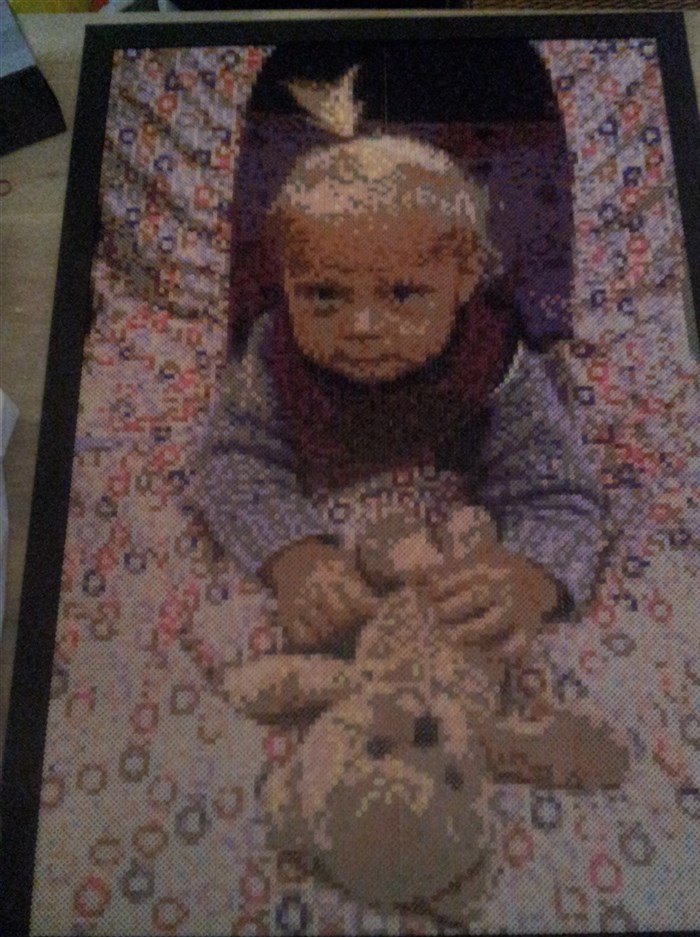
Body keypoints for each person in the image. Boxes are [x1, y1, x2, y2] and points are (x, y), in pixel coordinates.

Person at [190, 65, 605, 655]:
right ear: (284, 279)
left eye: (404, 294)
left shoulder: (496, 367)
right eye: (323, 294)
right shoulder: (274, 356)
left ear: (464, 280)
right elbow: (231, 461)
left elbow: (559, 493)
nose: (361, 328)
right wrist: (294, 556)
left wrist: (532, 579)